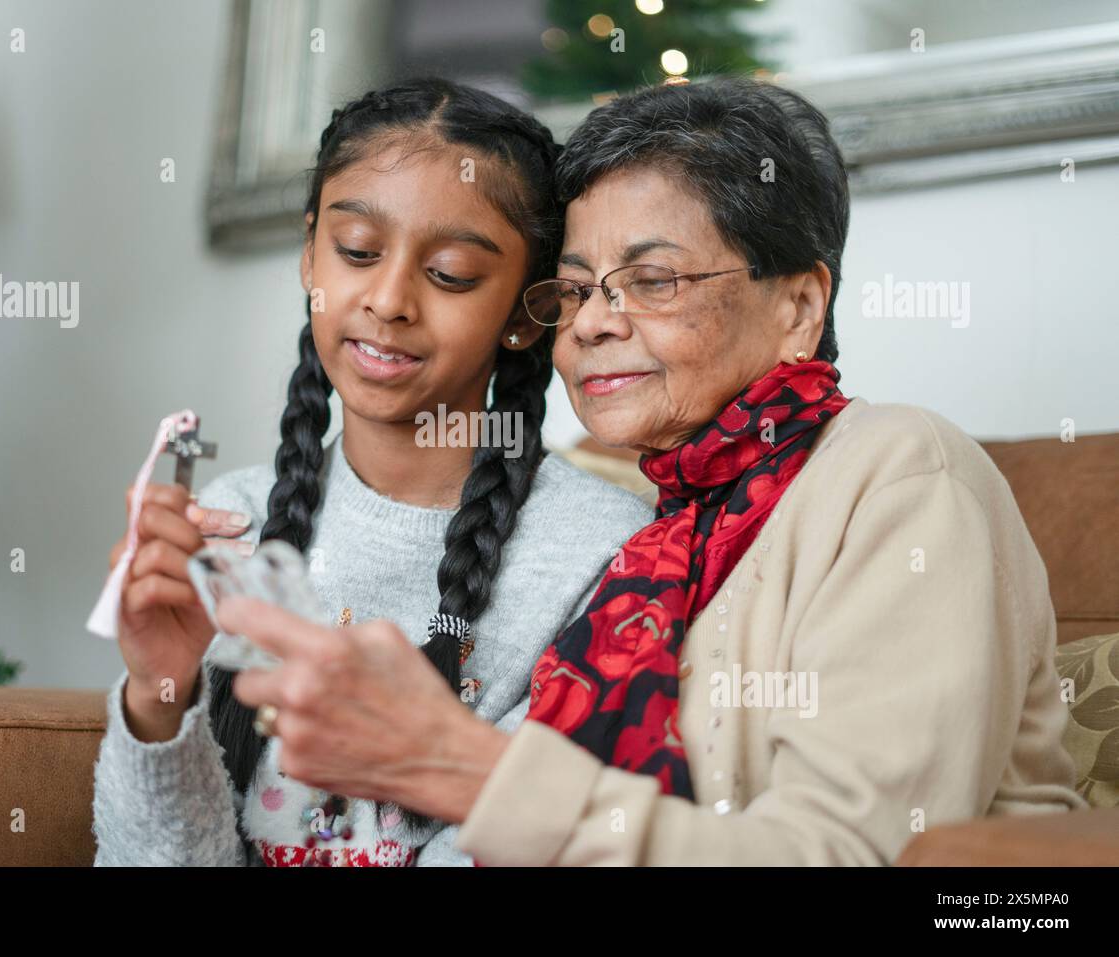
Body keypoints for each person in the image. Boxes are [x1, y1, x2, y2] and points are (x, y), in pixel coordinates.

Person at [219, 77, 1087, 866]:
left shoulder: (901, 477)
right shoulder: (659, 533)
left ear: (797, 306)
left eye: (653, 280)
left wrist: (467, 770)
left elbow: (852, 857)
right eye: (577, 287)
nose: (595, 321)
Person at [90, 78, 652, 867]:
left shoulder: (602, 551)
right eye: (355, 250)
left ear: (528, 313)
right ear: (308, 253)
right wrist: (160, 692)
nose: (388, 298)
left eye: (451, 272)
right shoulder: (232, 522)